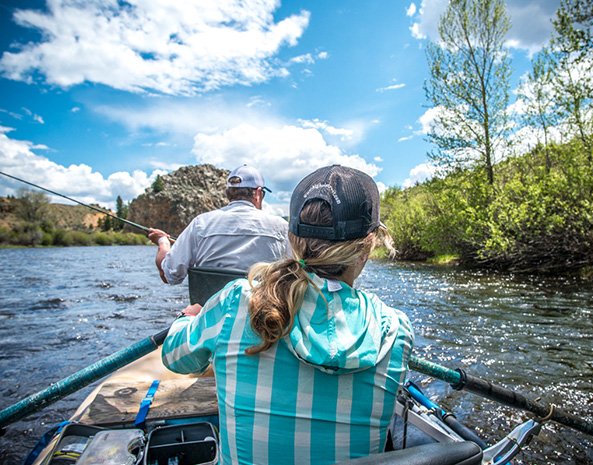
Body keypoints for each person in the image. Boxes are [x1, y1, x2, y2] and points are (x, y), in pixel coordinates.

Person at [161, 165, 414, 465]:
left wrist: (187, 319)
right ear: (369, 245)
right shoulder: (396, 330)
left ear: (292, 238)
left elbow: (175, 358)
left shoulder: (238, 300)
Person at [148, 164, 291, 284]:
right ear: (258, 193)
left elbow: (168, 274)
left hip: (212, 314)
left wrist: (162, 242)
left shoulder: (200, 224)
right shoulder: (282, 227)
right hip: (263, 314)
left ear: (229, 193)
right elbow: (296, 274)